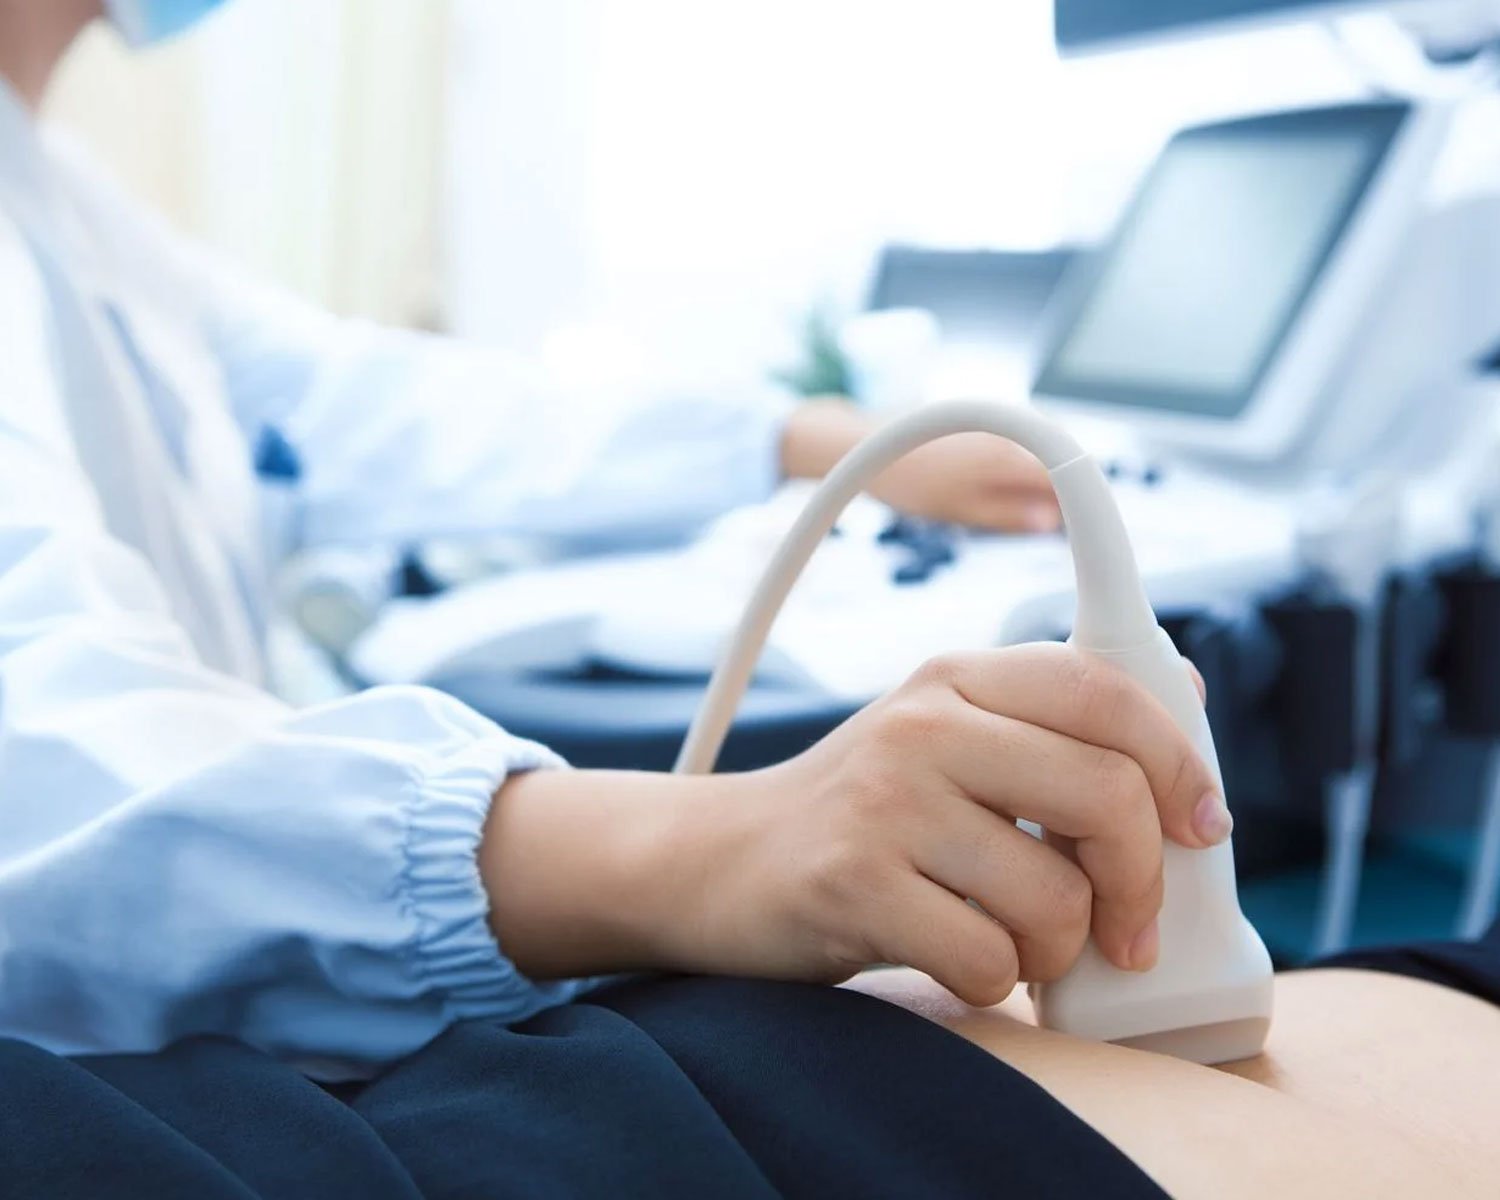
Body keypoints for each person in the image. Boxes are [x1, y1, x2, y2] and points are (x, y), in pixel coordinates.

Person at [1, 2, 1497, 1197]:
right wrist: (707, 848)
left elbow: (374, 401)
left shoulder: (68, 203)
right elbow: (34, 744)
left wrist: (807, 438)